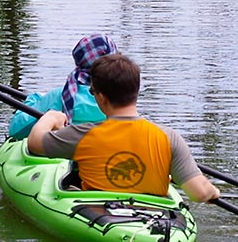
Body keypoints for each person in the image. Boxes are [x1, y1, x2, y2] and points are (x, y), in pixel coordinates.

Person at [28, 53, 221, 203]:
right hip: (153, 219)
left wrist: (51, 117)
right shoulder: (169, 138)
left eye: (92, 91)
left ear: (101, 97)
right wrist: (213, 191)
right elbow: (199, 193)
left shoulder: (83, 135)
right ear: (135, 91)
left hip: (96, 215)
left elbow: (34, 143)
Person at [7, 34, 115, 140]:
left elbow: (16, 130)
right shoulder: (120, 97)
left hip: (66, 148)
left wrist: (34, 99)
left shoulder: (60, 96)